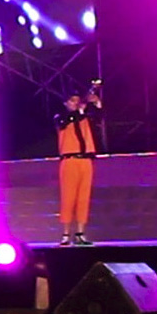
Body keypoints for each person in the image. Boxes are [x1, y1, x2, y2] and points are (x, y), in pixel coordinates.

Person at [56, 81, 102, 246]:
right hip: (70, 161)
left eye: (77, 100)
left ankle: (80, 233)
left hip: (86, 161)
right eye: (72, 101)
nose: (75, 103)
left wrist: (96, 103)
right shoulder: (61, 117)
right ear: (65, 103)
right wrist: (81, 109)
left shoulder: (84, 116)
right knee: (68, 197)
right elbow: (69, 120)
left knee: (83, 198)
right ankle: (65, 234)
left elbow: (99, 117)